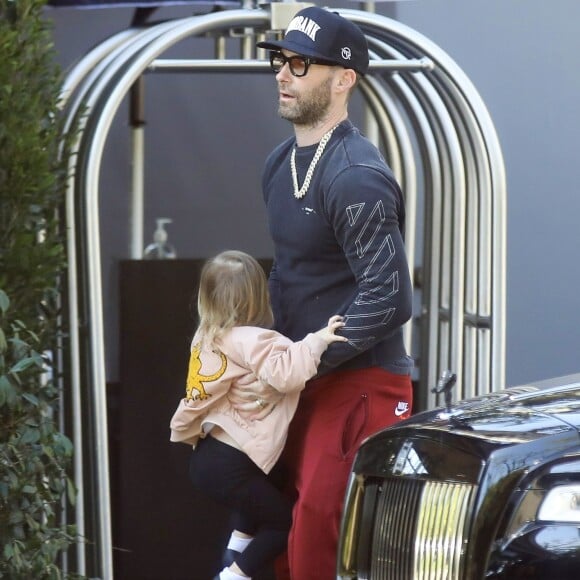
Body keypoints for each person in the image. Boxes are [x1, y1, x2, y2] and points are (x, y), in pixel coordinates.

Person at [230, 6, 415, 579]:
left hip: (362, 384)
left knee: (318, 532)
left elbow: (389, 298)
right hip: (301, 378)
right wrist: (256, 355)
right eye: (280, 60)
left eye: (302, 64)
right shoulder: (278, 164)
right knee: (273, 526)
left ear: (343, 79)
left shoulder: (354, 175)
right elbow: (289, 273)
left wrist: (299, 361)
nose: (284, 73)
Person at [169, 250, 347, 580]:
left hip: (209, 457)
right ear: (258, 296)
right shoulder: (253, 339)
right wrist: (316, 340)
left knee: (270, 487)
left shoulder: (206, 338)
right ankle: (233, 575)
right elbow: (285, 374)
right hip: (233, 463)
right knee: (284, 522)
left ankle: (236, 548)